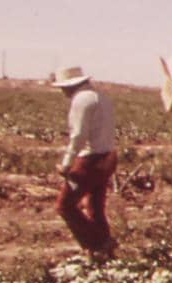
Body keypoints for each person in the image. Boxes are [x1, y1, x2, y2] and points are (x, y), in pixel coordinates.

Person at [52, 66, 117, 260]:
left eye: (63, 87)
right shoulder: (102, 97)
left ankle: (97, 244)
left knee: (64, 206)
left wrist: (66, 163)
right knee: (95, 207)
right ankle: (106, 251)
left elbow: (78, 135)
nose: (62, 91)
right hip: (108, 157)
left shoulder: (81, 100)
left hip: (89, 160)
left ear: (70, 85)